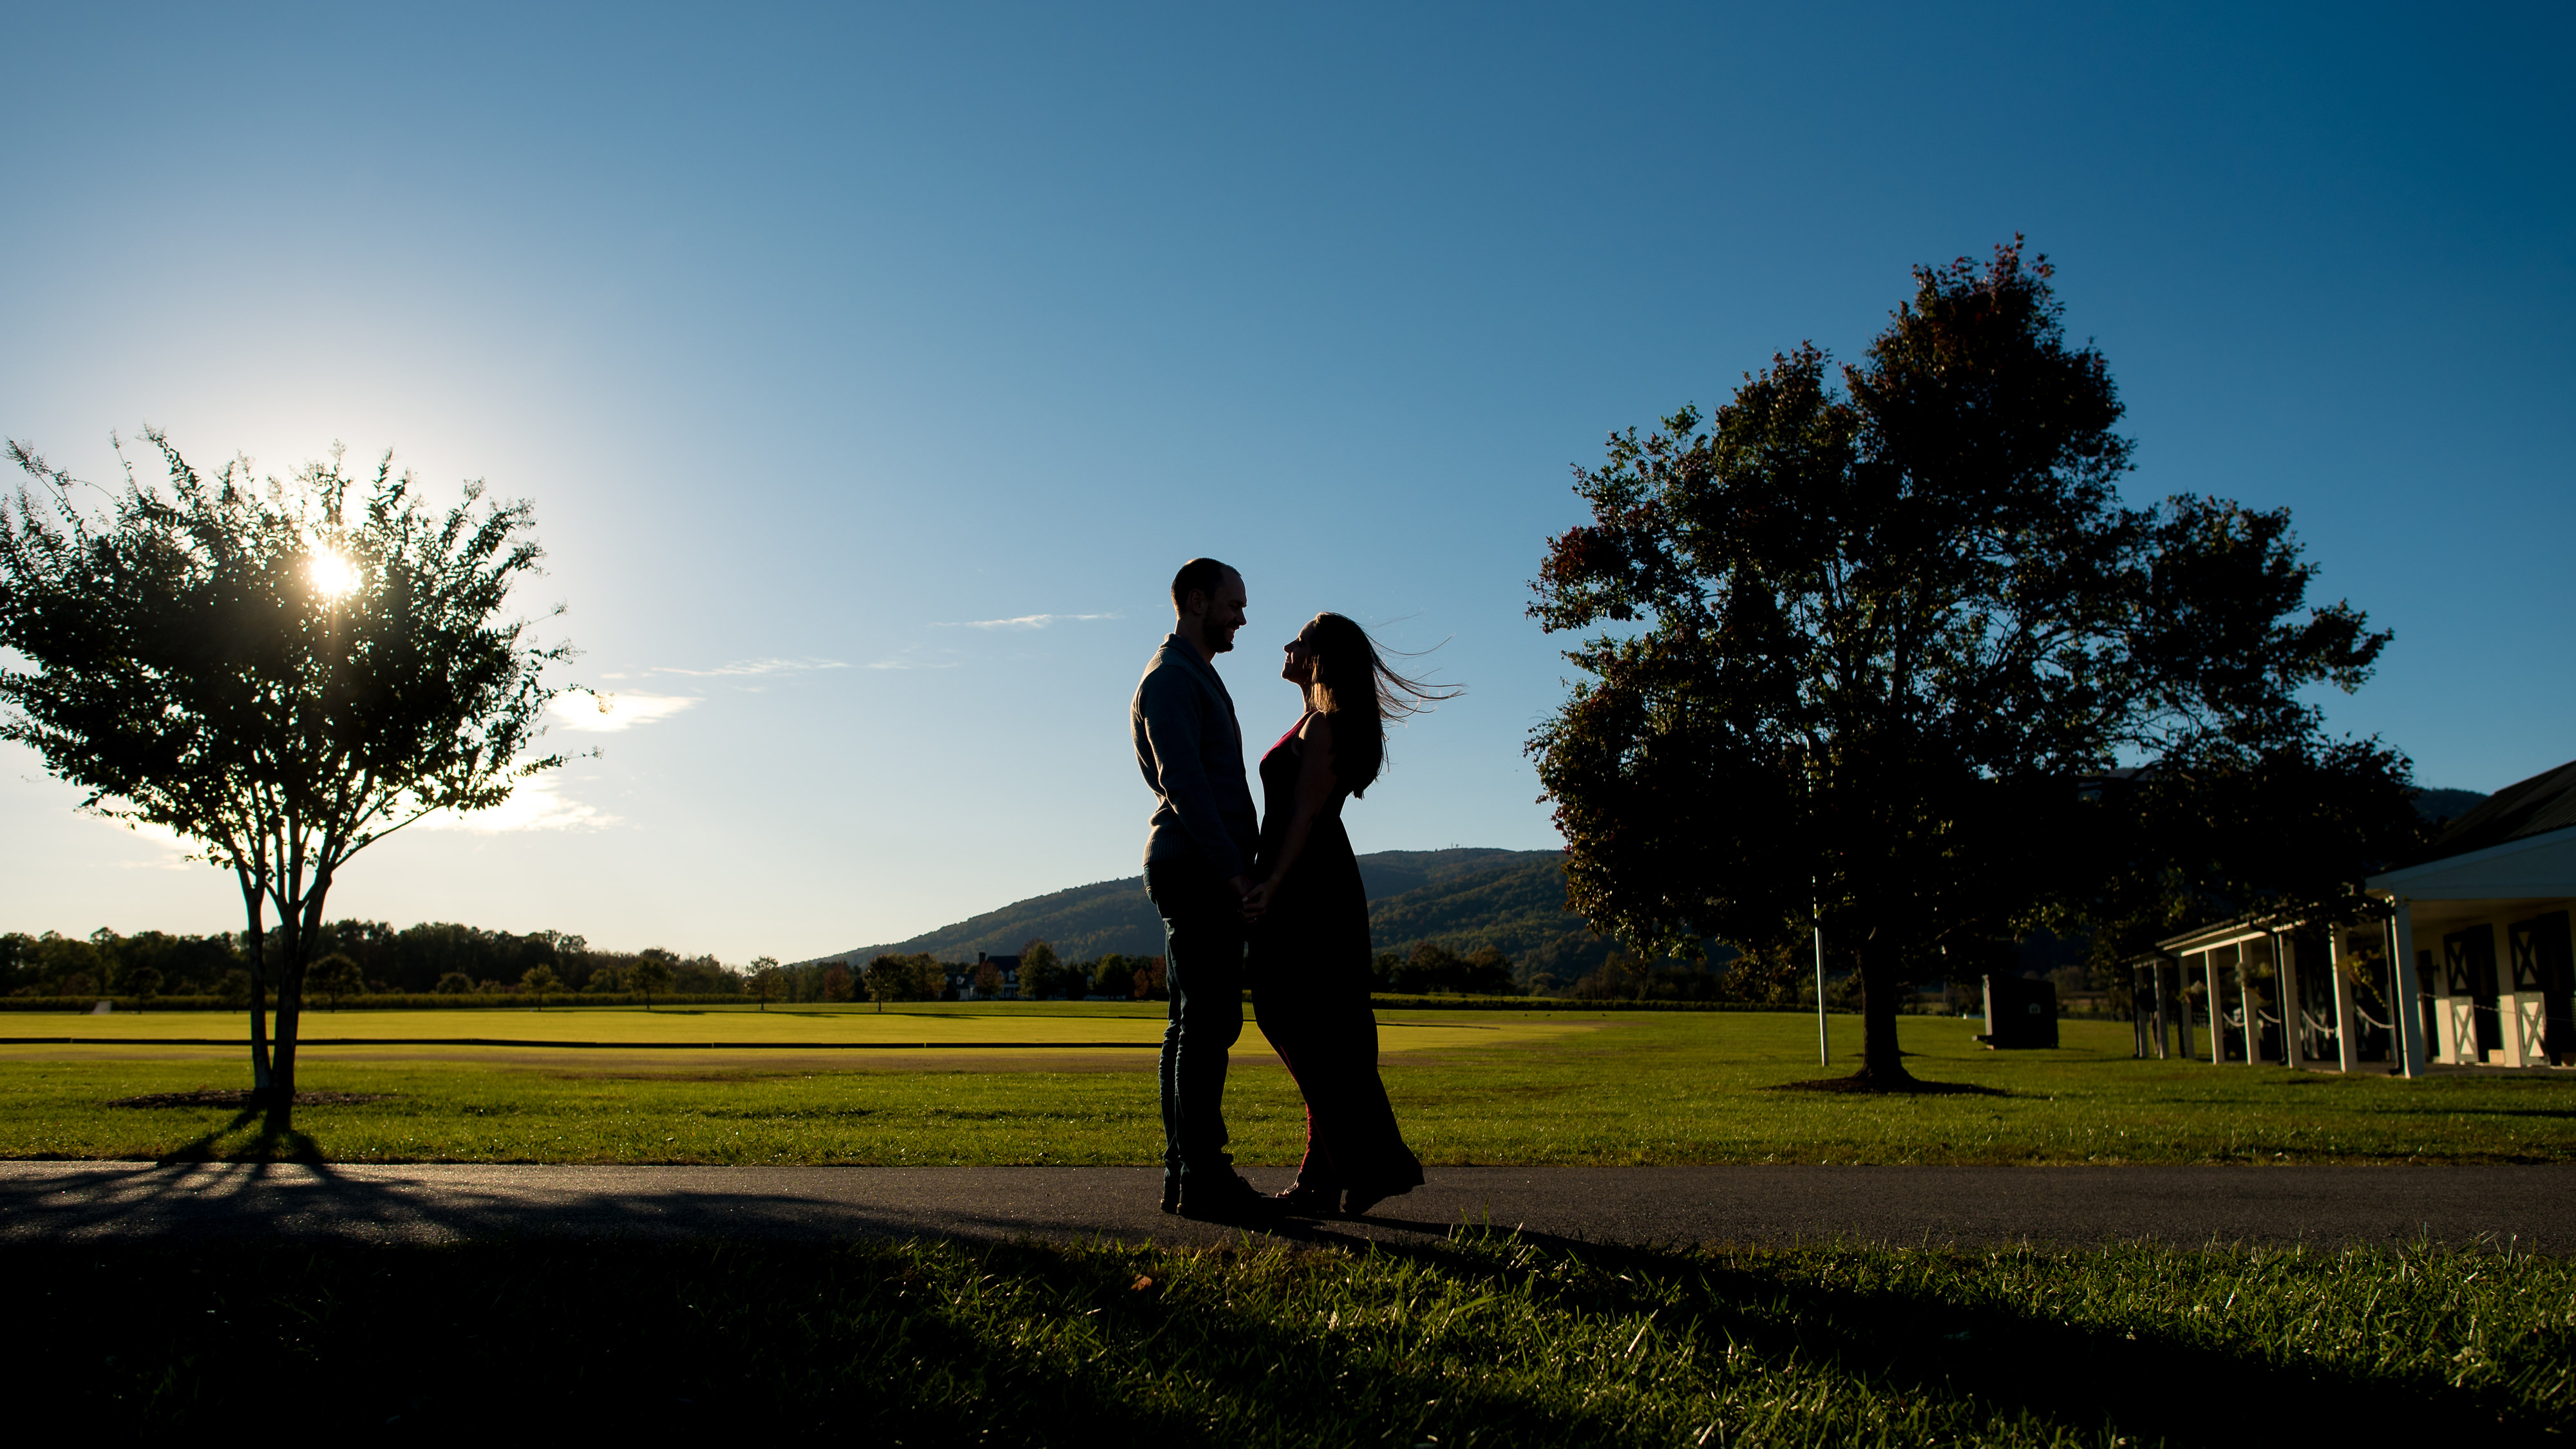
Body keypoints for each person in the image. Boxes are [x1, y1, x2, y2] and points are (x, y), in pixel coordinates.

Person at [1241, 612, 1454, 1217]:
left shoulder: (1325, 729)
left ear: (1319, 658)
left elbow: (1305, 815)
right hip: (1310, 882)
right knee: (1321, 1030)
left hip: (1310, 887)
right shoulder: (1313, 720)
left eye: (1300, 640)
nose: (1287, 644)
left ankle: (1373, 1164)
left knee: (1291, 1017)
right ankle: (1323, 1177)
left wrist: (1270, 885)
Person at [1130, 557, 1274, 1221]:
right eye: (1233, 604)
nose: (1242, 616)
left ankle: (1187, 1175)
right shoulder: (1170, 678)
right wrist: (1235, 873)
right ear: (1194, 600)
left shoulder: (1193, 676)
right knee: (1203, 1025)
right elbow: (1185, 785)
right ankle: (1201, 1175)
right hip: (1195, 867)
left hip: (1195, 862)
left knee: (1197, 1024)